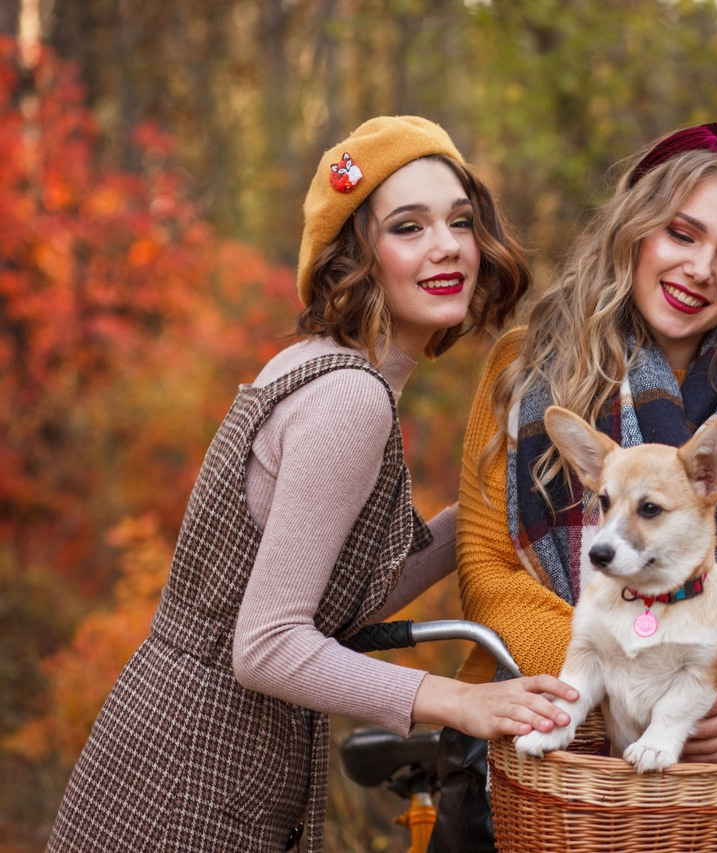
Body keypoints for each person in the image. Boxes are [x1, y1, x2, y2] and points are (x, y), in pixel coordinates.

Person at [47, 115, 578, 853]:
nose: (447, 246)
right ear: (354, 257)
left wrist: (484, 516)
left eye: (460, 220)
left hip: (177, 744)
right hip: (197, 776)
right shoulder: (349, 400)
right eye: (408, 227)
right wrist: (460, 701)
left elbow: (332, 605)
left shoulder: (316, 366)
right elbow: (266, 644)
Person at [434, 121, 717, 850]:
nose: (701, 268)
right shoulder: (528, 366)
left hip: (697, 763)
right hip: (529, 728)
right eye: (681, 233)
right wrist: (606, 675)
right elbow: (488, 572)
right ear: (635, 228)